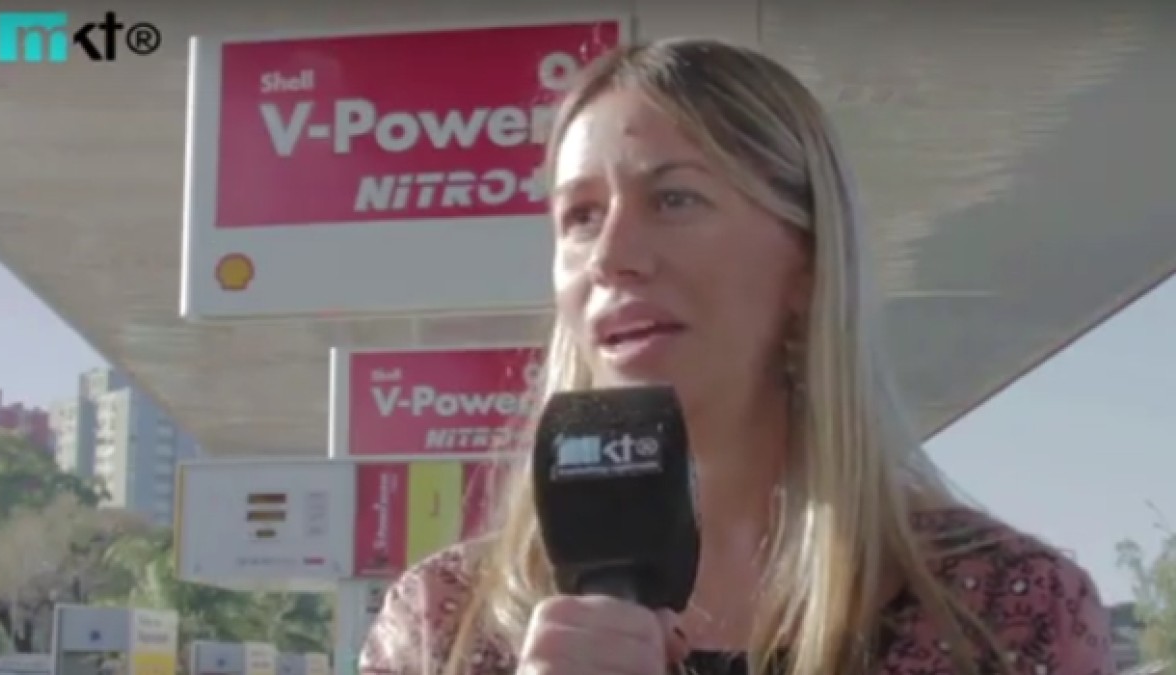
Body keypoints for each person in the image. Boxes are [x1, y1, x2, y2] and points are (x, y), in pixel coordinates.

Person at [360, 38, 1114, 675]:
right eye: (580, 216)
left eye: (674, 199)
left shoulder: (1005, 614)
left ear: (807, 260)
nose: (612, 256)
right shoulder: (442, 621)